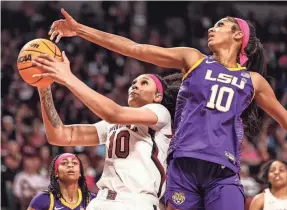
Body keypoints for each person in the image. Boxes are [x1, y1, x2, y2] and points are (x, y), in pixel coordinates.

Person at [48, 9, 287, 209]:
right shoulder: (193, 59)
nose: (211, 29)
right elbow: (134, 48)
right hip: (182, 168)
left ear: (237, 35)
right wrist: (80, 30)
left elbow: (283, 117)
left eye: (220, 25)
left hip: (222, 171)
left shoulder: (253, 80)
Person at [31, 50, 181, 209]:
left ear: (158, 96)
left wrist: (68, 77)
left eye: (144, 83)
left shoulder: (160, 113)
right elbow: (59, 135)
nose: (135, 85)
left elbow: (113, 113)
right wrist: (44, 88)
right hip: (101, 200)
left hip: (135, 201)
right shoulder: (113, 123)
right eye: (133, 83)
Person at [27, 153, 96, 210]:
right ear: (56, 173)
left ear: (80, 172)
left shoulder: (92, 200)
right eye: (64, 163)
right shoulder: (42, 199)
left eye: (74, 163)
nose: (70, 165)